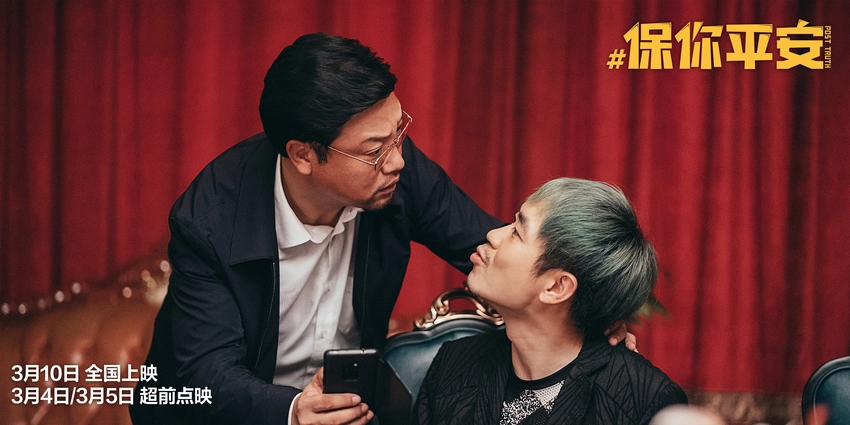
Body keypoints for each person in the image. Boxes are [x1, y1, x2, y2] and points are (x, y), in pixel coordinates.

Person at [130, 33, 632, 425]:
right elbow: (206, 374)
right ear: (303, 155)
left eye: (399, 132)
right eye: (374, 150)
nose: (397, 161)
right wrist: (292, 411)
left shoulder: (394, 173)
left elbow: (492, 249)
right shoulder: (210, 218)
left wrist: (586, 312)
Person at [413, 178, 687, 425]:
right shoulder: (454, 363)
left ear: (556, 287)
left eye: (516, 232)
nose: (493, 234)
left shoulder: (644, 402)